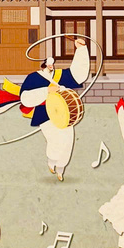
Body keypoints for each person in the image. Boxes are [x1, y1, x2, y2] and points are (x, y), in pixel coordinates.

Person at [17, 35, 90, 181]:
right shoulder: (33, 77)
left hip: (65, 112)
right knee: (55, 140)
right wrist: (46, 91)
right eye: (48, 64)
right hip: (45, 113)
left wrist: (81, 50)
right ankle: (52, 161)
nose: (51, 66)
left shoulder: (60, 75)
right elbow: (24, 98)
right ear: (43, 65)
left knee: (68, 140)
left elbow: (78, 75)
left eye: (52, 64)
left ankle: (61, 168)